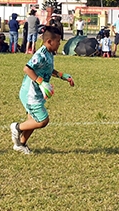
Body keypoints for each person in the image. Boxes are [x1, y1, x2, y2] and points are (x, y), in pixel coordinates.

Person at [9, 25, 75, 155]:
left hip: (36, 92)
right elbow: (27, 68)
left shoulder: (50, 54)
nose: (59, 44)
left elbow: (48, 70)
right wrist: (40, 82)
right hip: (30, 93)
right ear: (49, 41)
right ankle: (17, 127)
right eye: (58, 42)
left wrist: (62, 75)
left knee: (32, 121)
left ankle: (20, 144)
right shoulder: (40, 54)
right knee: (43, 120)